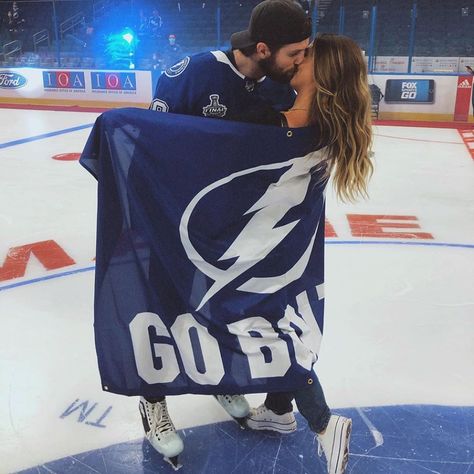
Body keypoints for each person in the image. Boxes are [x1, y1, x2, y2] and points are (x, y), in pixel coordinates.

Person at [142, 0, 311, 467]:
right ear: (263, 48)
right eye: (294, 53)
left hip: (226, 232)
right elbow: (150, 145)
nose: (300, 62)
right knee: (160, 311)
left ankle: (215, 378)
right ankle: (152, 401)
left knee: (215, 309)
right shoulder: (193, 73)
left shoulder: (278, 87)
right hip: (172, 222)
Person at [237, 34, 373, 474]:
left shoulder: (289, 126)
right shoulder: (324, 122)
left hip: (267, 242)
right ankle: (278, 410)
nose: (296, 59)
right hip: (293, 241)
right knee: (282, 324)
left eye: (305, 56)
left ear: (324, 69)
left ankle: (323, 423)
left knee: (270, 330)